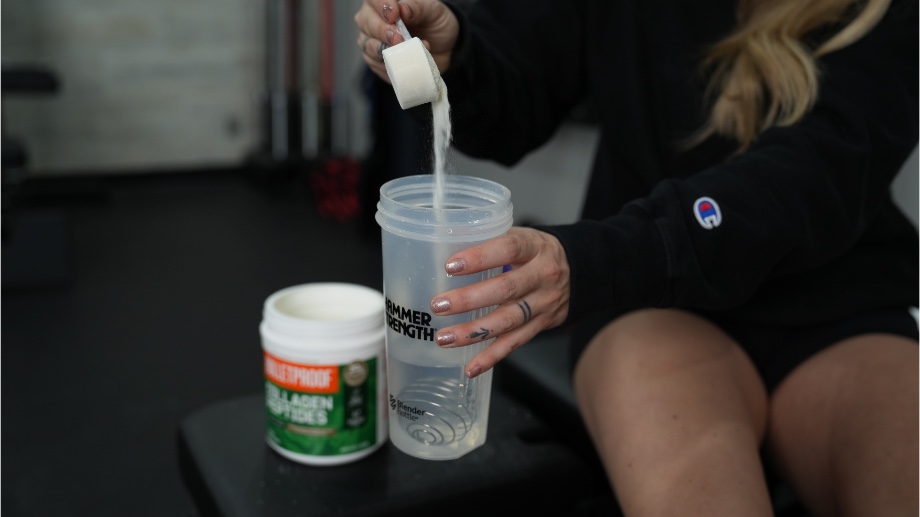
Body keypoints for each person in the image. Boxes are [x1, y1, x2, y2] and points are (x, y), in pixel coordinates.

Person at [355, 0, 918, 514]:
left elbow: (813, 179)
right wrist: (458, 59)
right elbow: (515, 97)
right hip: (651, 305)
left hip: (835, 304)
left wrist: (602, 260)